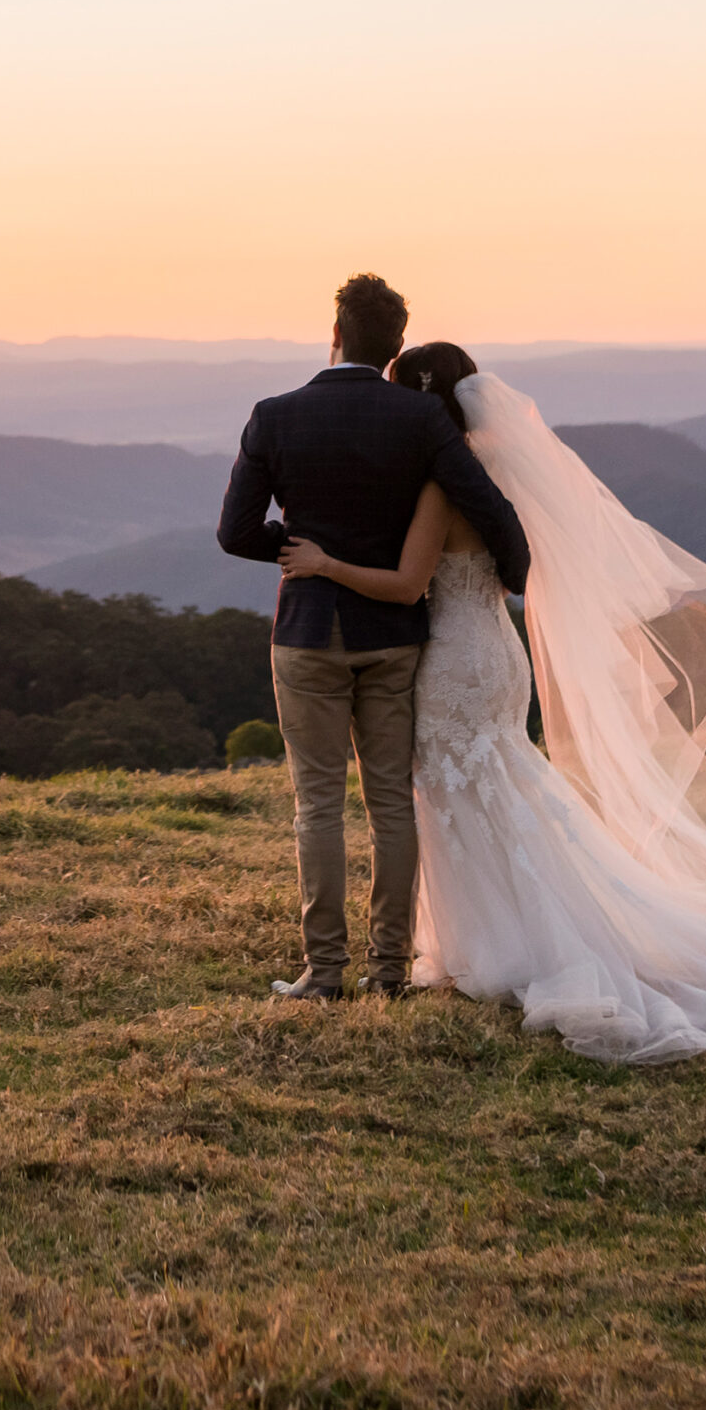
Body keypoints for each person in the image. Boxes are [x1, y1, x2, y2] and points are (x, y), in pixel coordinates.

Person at [277, 343, 706, 1062]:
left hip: (452, 661)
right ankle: (478, 938)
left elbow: (411, 584)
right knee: (496, 787)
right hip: (496, 650)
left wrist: (322, 563)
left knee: (449, 793)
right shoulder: (494, 474)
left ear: (419, 401)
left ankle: (498, 947)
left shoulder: (441, 484)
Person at [216, 274, 529, 1000]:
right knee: (390, 801)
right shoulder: (419, 421)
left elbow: (233, 533)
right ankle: (388, 970)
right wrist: (512, 571)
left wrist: (297, 548)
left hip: (306, 633)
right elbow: (487, 506)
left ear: (335, 336)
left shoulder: (273, 414)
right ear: (393, 347)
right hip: (393, 635)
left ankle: (323, 973)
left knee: (318, 804)